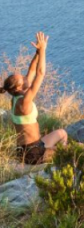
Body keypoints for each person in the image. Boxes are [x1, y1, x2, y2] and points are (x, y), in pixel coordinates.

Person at [1, 33, 67, 164]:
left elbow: (31, 71)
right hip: (32, 152)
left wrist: (37, 52)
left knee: (63, 133)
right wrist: (43, 50)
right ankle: (57, 165)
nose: (24, 77)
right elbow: (40, 73)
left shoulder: (15, 98)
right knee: (70, 153)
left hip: (33, 146)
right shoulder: (24, 102)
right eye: (21, 79)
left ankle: (56, 161)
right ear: (18, 88)